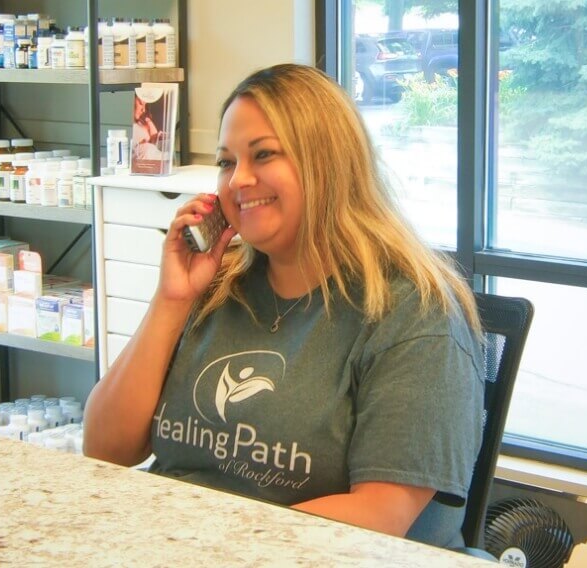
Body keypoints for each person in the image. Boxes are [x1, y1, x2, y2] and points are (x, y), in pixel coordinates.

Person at [84, 63, 485, 549]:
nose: (237, 181)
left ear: (328, 163)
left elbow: (380, 516)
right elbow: (104, 449)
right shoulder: (219, 283)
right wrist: (172, 301)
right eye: (227, 162)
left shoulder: (416, 315)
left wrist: (204, 543)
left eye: (263, 155)